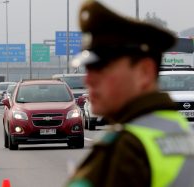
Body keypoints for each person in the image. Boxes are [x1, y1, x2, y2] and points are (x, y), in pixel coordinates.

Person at [67, 1, 194, 187]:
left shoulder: (127, 147)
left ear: (145, 72)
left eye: (101, 68)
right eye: (88, 69)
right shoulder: (180, 129)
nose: (88, 80)